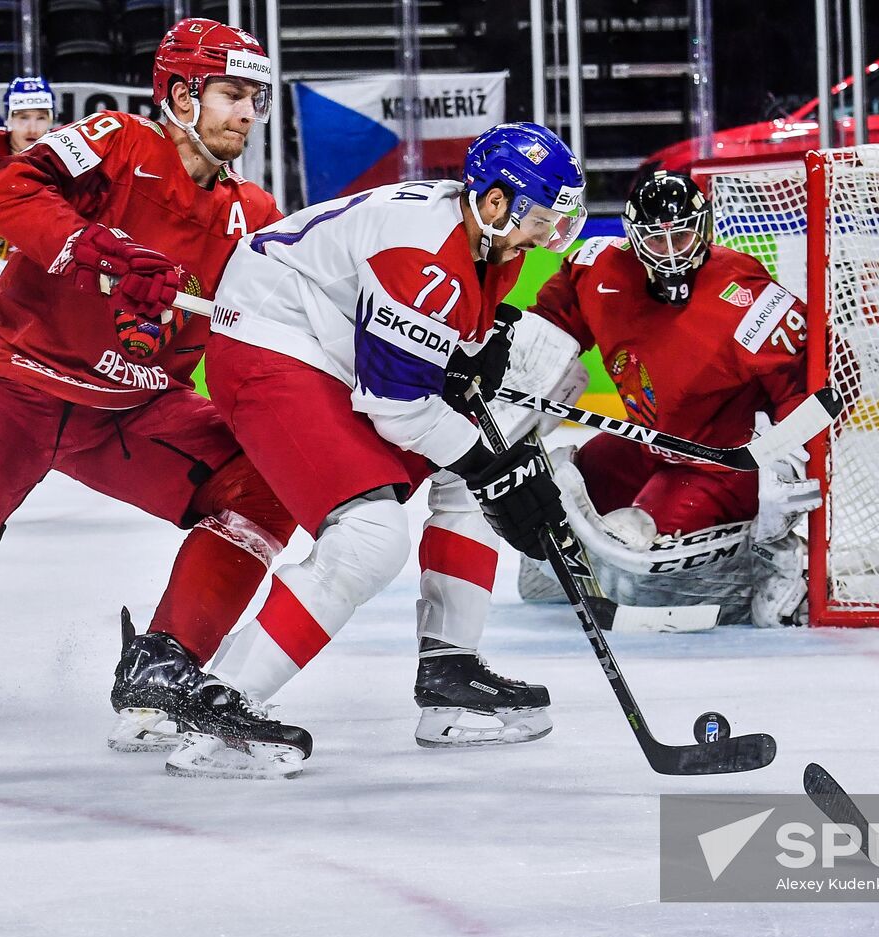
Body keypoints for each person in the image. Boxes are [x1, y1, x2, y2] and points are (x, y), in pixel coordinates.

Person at [173, 121, 587, 778]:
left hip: (330, 346)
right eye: (541, 217)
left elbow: (431, 354)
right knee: (370, 536)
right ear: (497, 202)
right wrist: (491, 464)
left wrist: (477, 390)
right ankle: (218, 704)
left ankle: (450, 672)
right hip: (269, 343)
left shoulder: (488, 242)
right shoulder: (427, 255)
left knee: (475, 470)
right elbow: (395, 405)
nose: (549, 235)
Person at [0, 19, 296, 755]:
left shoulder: (251, 214)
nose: (246, 114)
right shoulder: (117, 138)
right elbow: (12, 186)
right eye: (231, 94)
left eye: (255, 100)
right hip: (16, 385)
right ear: (178, 93)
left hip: (132, 416)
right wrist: (104, 246)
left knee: (264, 482)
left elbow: (292, 315)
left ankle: (163, 664)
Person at [512, 169, 819, 626]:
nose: (672, 253)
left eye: (682, 236)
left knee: (640, 561)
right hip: (645, 443)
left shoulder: (749, 299)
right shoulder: (596, 269)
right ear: (633, 239)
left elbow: (803, 394)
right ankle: (568, 570)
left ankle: (774, 562)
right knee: (545, 490)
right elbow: (550, 326)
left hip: (717, 462)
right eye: (657, 240)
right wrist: (523, 394)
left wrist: (786, 467)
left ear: (705, 228)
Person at [0, 77, 57, 266]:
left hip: (40, 266)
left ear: (51, 120)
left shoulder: (64, 155)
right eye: (23, 117)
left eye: (41, 118)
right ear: (9, 118)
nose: (32, 128)